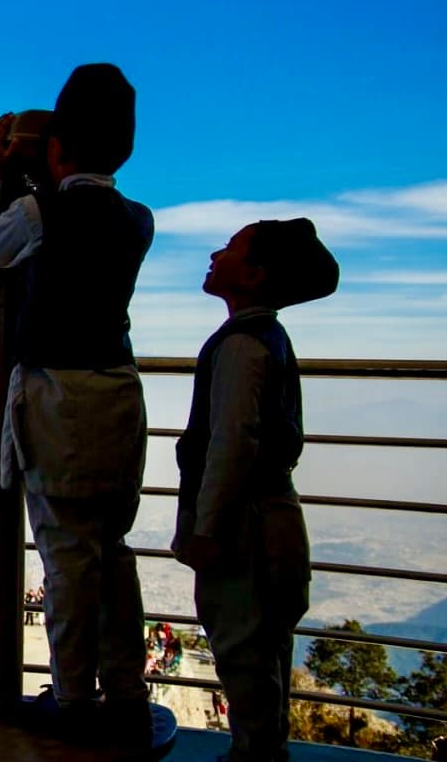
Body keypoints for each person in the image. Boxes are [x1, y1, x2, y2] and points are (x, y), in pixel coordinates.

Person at [0, 64, 153, 743]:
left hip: (61, 399)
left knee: (67, 558)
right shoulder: (138, 219)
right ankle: (127, 691)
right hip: (121, 392)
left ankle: (72, 700)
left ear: (57, 146)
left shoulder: (41, 212)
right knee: (113, 551)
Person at [172, 218, 337, 762]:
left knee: (244, 653)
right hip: (272, 517)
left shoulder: (242, 346)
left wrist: (206, 528)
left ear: (255, 274)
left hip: (247, 527)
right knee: (265, 653)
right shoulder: (268, 338)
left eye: (232, 248)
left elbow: (231, 445)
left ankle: (255, 757)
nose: (216, 253)